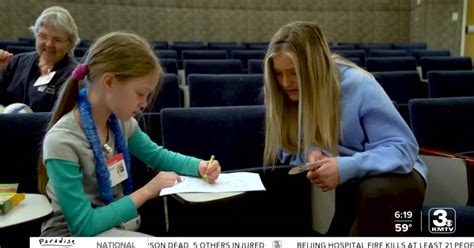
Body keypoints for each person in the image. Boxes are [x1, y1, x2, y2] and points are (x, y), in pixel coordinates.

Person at [38, 31, 221, 237]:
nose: (144, 104)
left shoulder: (121, 124)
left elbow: (158, 156)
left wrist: (199, 166)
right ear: (109, 82)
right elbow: (83, 226)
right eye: (140, 94)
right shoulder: (62, 141)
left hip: (112, 228)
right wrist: (148, 191)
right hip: (68, 236)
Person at [262, 21, 426, 236]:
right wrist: (311, 152)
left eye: (294, 73)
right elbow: (286, 149)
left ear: (314, 67)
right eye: (278, 73)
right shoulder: (283, 93)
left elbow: (403, 149)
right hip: (344, 183)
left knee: (372, 194)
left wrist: (347, 166)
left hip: (393, 176)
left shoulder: (359, 85)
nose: (285, 83)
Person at [0, 6, 79, 112]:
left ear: (70, 44)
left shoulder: (72, 76)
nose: (49, 44)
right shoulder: (17, 62)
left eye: (57, 40)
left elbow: (57, 118)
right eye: (43, 36)